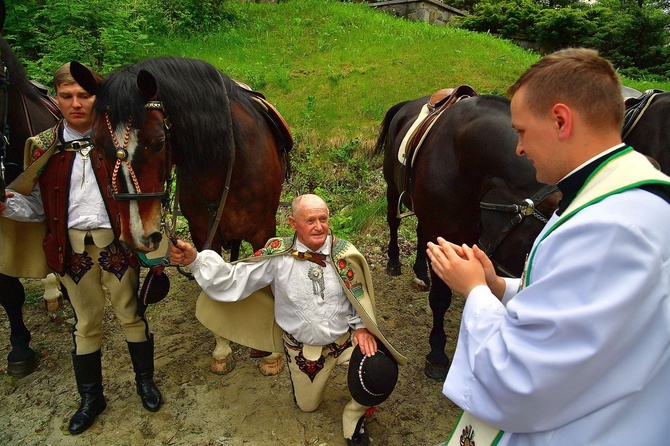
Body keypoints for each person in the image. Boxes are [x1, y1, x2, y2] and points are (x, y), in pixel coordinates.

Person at [426, 48, 670, 445]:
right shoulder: (619, 195)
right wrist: (500, 286)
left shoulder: (611, 228)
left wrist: (473, 292)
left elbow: (520, 379)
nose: (518, 148)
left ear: (560, 120)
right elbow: (582, 306)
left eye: (521, 130)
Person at [0, 62, 162, 435]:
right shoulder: (42, 147)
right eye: (66, 96)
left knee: (130, 313)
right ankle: (91, 397)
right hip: (71, 250)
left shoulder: (116, 140)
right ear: (55, 98)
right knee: (86, 322)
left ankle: (145, 382)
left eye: (84, 95)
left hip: (115, 247)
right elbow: (38, 206)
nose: (75, 104)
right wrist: (8, 203)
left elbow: (144, 189)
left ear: (97, 97)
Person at [169, 193, 406, 445]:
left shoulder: (344, 254)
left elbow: (359, 295)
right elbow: (233, 278)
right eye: (310, 220)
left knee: (380, 368)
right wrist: (195, 260)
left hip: (344, 342)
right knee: (307, 407)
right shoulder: (278, 256)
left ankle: (354, 416)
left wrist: (361, 328)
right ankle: (301, 381)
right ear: (293, 223)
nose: (319, 226)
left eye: (323, 219)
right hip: (305, 353)